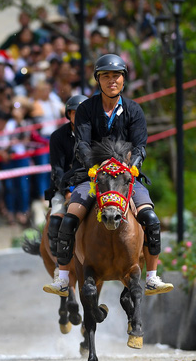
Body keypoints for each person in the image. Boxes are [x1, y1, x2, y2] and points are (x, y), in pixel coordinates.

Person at [44, 54, 172, 296]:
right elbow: (81, 144)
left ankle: (152, 277)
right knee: (69, 219)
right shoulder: (85, 109)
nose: (111, 80)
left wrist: (132, 166)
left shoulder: (134, 110)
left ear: (123, 80)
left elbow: (141, 146)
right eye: (106, 76)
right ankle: (62, 278)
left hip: (125, 177)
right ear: (98, 80)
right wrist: (93, 166)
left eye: (116, 76)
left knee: (152, 220)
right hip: (91, 176)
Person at [45, 94, 88, 256]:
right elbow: (57, 169)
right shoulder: (57, 136)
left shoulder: (97, 134)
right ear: (68, 114)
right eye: (76, 113)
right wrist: (67, 190)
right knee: (56, 219)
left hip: (91, 184)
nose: (80, 117)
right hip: (64, 185)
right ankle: (59, 265)